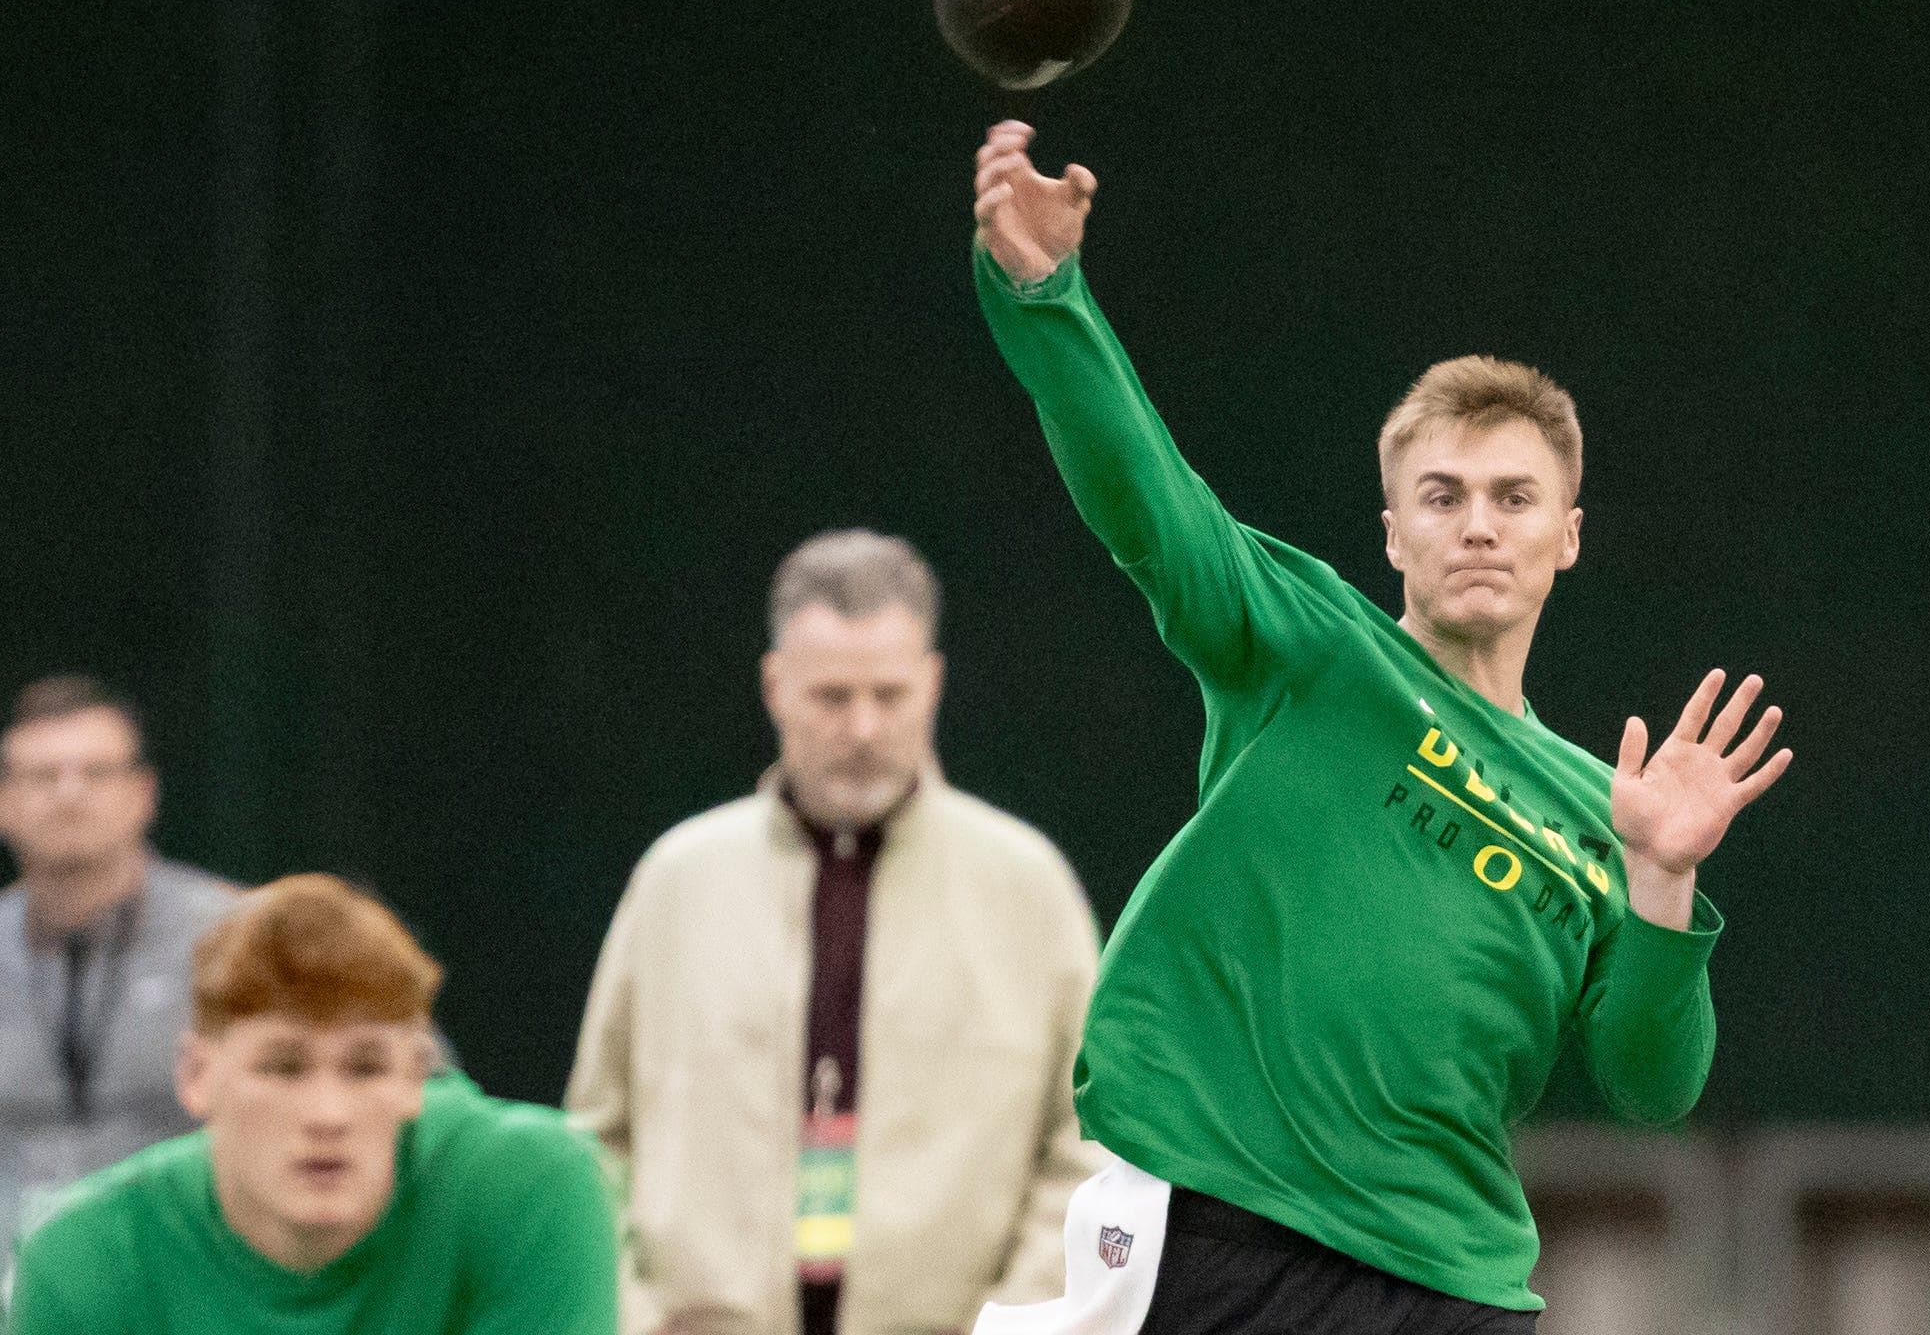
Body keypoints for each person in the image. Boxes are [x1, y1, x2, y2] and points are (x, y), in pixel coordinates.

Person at [963, 121, 1794, 1335]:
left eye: (1515, 498)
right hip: (1223, 1236)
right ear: (1392, 532)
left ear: (1565, 536)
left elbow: (1648, 1082)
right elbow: (1145, 496)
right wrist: (1047, 295)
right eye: (1441, 497)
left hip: (1449, 1282)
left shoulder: (1605, 809)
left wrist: (1663, 873)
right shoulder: (1308, 646)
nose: (1477, 526)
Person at [566, 529, 1103, 1335]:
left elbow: (1087, 1146)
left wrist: (1014, 1323)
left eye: (888, 696)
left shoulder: (1026, 888)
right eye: (831, 697)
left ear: (933, 684)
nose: (862, 729)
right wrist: (636, 1317)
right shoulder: (677, 880)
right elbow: (595, 1143)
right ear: (775, 686)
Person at [5, 873, 616, 1333]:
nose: (328, 1115)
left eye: (366, 1067)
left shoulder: (532, 1186)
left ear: (416, 1077)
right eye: (282, 1067)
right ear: (197, 1076)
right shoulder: (83, 1257)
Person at [0, 676, 238, 1271]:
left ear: (144, 792)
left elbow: (413, 1085)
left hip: (195, 1285)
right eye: (42, 776)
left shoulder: (245, 938)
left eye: (97, 772)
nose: (69, 794)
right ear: (4, 800)